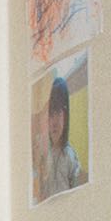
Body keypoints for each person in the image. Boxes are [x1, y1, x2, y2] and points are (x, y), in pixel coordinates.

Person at [35, 72, 84, 202]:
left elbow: (76, 196)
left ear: (66, 116)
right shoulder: (44, 153)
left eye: (58, 113)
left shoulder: (70, 156)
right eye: (51, 115)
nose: (54, 122)